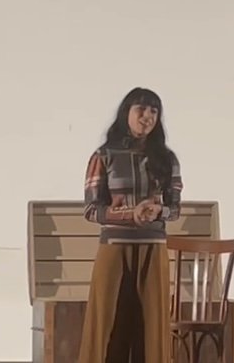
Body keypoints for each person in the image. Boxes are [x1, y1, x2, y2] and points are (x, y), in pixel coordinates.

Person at [77, 87, 183, 363]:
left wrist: (159, 210)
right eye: (141, 109)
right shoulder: (104, 156)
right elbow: (91, 209)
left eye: (154, 111)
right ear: (127, 112)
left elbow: (175, 209)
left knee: (152, 329)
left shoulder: (167, 159)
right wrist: (128, 215)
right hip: (114, 249)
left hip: (153, 250)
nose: (147, 116)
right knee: (105, 325)